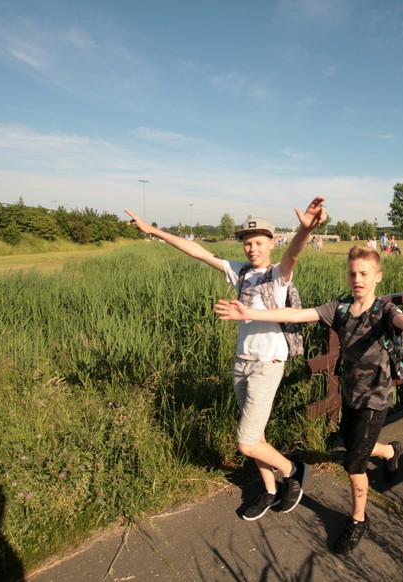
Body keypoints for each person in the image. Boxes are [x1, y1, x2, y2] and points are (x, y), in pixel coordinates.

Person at [214, 246, 403, 554]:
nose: (358, 279)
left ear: (378, 277)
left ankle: (358, 519)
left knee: (354, 464)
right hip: (350, 394)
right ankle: (390, 451)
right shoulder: (339, 310)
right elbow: (296, 314)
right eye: (353, 273)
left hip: (375, 398)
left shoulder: (383, 311)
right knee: (355, 444)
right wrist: (249, 313)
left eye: (364, 273)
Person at [125, 196, 327, 521]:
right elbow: (198, 252)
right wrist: (153, 230)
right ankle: (270, 490)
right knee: (256, 436)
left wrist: (304, 231)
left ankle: (293, 470)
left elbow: (294, 254)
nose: (252, 249)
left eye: (258, 243)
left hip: (267, 364)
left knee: (246, 443)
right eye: (247, 243)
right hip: (241, 362)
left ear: (271, 243)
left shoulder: (278, 275)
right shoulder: (241, 273)